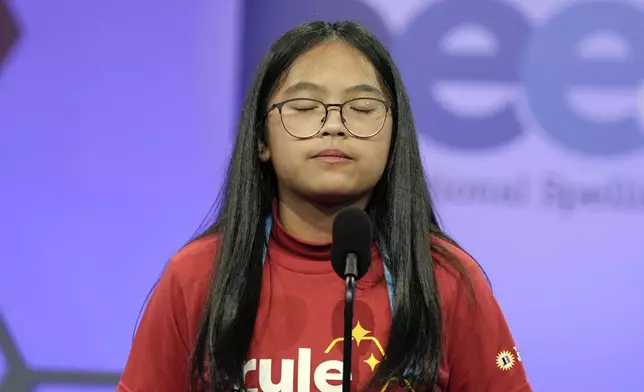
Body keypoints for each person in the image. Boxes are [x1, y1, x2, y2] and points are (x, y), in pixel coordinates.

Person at [118, 20, 532, 392]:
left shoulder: (445, 278)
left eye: (362, 108)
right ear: (261, 139)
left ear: (394, 139)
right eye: (304, 107)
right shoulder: (196, 276)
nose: (334, 124)